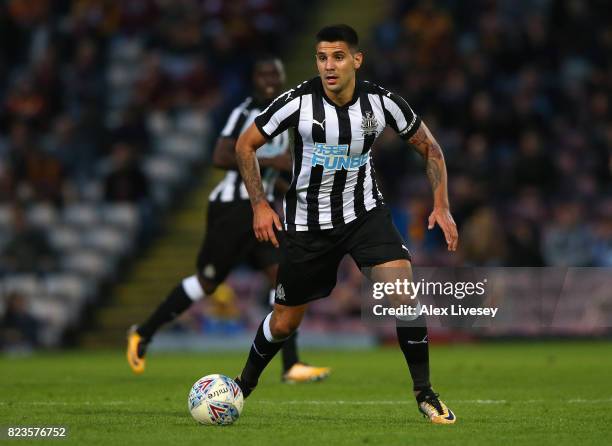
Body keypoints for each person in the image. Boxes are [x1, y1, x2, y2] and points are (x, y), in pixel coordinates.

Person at [233, 25, 459, 424]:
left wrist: (441, 205)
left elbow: (431, 148)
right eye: (322, 58)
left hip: (364, 216)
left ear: (357, 59)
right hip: (307, 225)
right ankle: (241, 387)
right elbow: (244, 144)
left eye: (338, 56)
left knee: (403, 294)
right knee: (285, 321)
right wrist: (259, 205)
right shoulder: (297, 102)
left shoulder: (382, 103)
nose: (329, 66)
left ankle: (425, 393)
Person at [126, 57, 330, 383]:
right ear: (254, 78)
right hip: (232, 208)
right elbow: (221, 155)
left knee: (283, 279)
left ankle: (291, 365)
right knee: (207, 283)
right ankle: (143, 333)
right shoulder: (245, 112)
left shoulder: (284, 118)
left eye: (274, 75)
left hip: (262, 208)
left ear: (281, 79)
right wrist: (272, 160)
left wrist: (293, 187)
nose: (268, 80)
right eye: (262, 74)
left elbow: (273, 174)